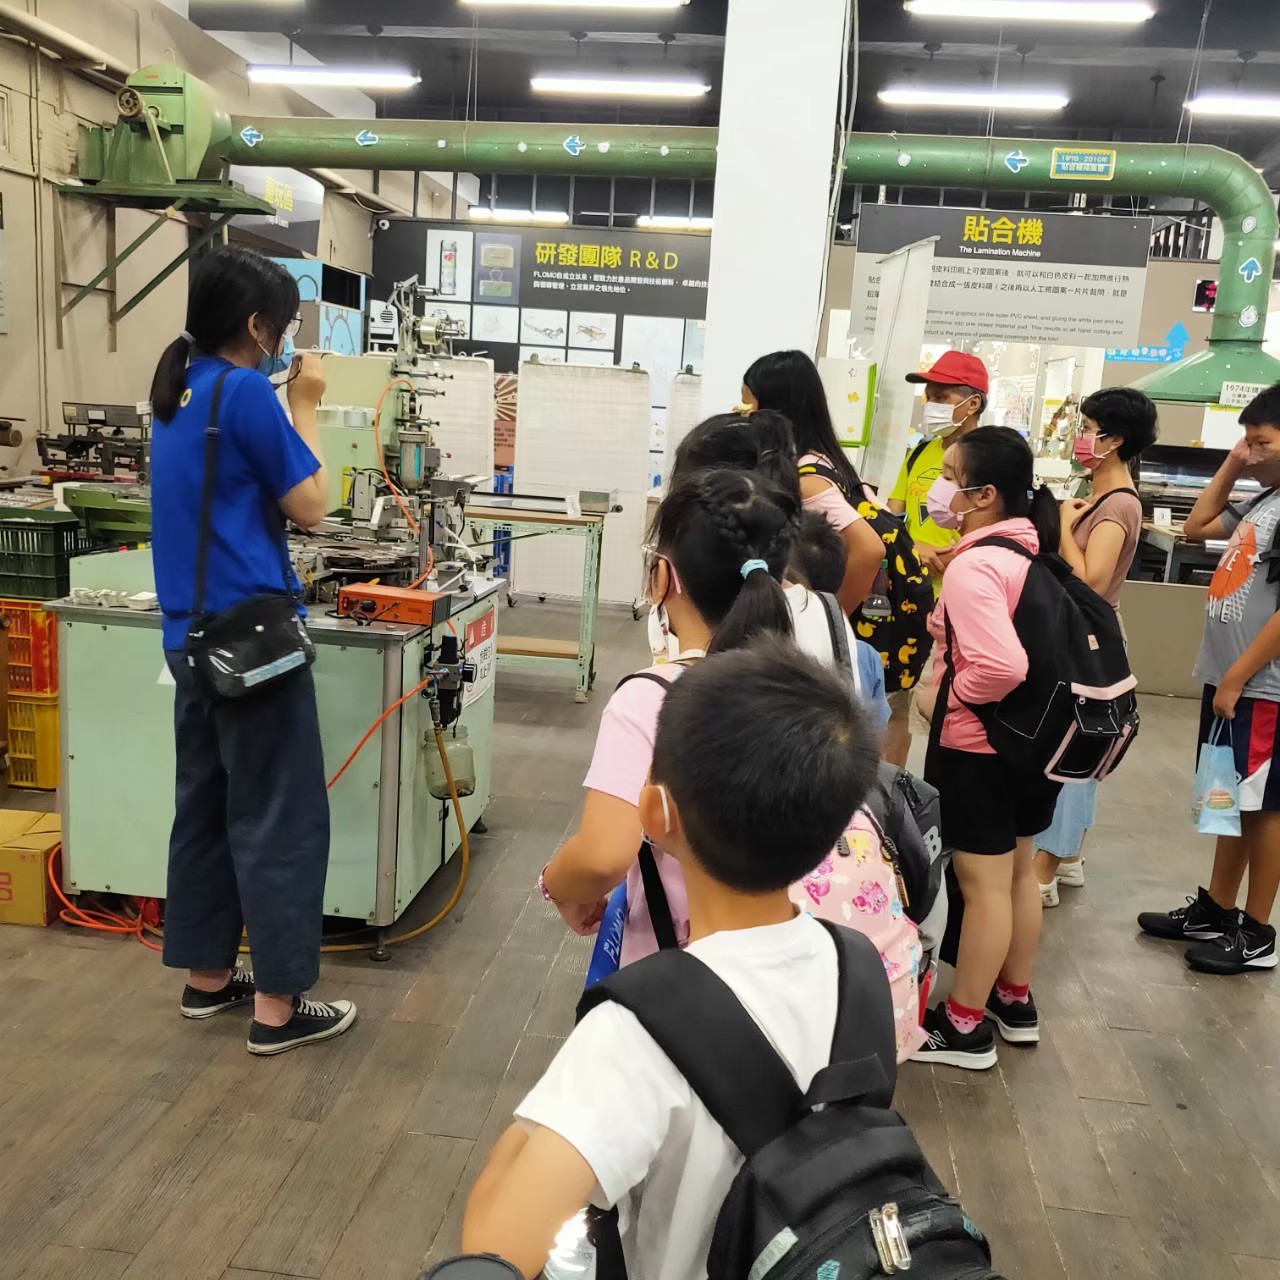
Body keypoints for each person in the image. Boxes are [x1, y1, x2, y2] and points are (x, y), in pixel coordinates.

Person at [462, 639, 881, 1280]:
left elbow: (494, 1246)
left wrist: (536, 1119)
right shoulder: (860, 968)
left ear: (654, 813)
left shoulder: (638, 1030)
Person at [149, 246, 356, 1055]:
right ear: (257, 324)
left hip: (190, 637)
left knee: (204, 808)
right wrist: (305, 404)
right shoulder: (243, 392)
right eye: (286, 325)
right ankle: (278, 1008)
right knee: (281, 818)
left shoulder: (178, 388)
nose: (289, 340)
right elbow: (313, 504)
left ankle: (207, 978)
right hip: (254, 644)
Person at [538, 466, 801, 960]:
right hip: (786, 956)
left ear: (662, 577)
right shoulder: (806, 686)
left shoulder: (652, 698)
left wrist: (556, 885)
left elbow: (601, 856)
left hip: (683, 969)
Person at [912, 426, 1063, 1069]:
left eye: (951, 475)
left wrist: (952, 698)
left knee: (984, 886)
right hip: (1035, 744)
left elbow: (1002, 666)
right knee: (1019, 872)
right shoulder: (1035, 550)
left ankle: (964, 1025)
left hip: (980, 747)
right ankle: (1013, 999)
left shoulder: (977, 565)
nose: (940, 487)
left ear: (985, 495)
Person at [1137, 384, 1280, 975]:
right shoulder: (1264, 499)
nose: (1250, 451)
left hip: (1261, 686)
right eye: (1246, 441)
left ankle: (1258, 932)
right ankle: (1218, 909)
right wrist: (1235, 464)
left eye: (1261, 442)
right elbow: (1195, 525)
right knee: (1228, 799)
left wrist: (1240, 675)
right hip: (1229, 680)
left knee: (1264, 808)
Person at [1035, 387, 1158, 907]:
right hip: (1081, 638)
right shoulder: (1102, 495)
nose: (1079, 438)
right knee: (1079, 745)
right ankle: (1067, 858)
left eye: (1087, 429)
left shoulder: (1118, 505)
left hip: (1089, 644)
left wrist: (1064, 526)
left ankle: (1044, 870)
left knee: (1072, 753)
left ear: (1115, 439)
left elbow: (1091, 579)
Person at [885, 351, 990, 763]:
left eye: (941, 397)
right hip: (910, 597)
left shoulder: (990, 459)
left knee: (951, 712)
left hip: (962, 605)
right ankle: (893, 793)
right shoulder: (920, 452)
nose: (930, 404)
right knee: (898, 704)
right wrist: (914, 549)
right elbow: (892, 517)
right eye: (928, 396)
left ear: (973, 403)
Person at [741, 350, 885, 616]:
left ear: (772, 408)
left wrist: (832, 619)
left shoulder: (809, 481)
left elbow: (870, 548)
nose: (743, 417)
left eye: (747, 405)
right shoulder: (827, 460)